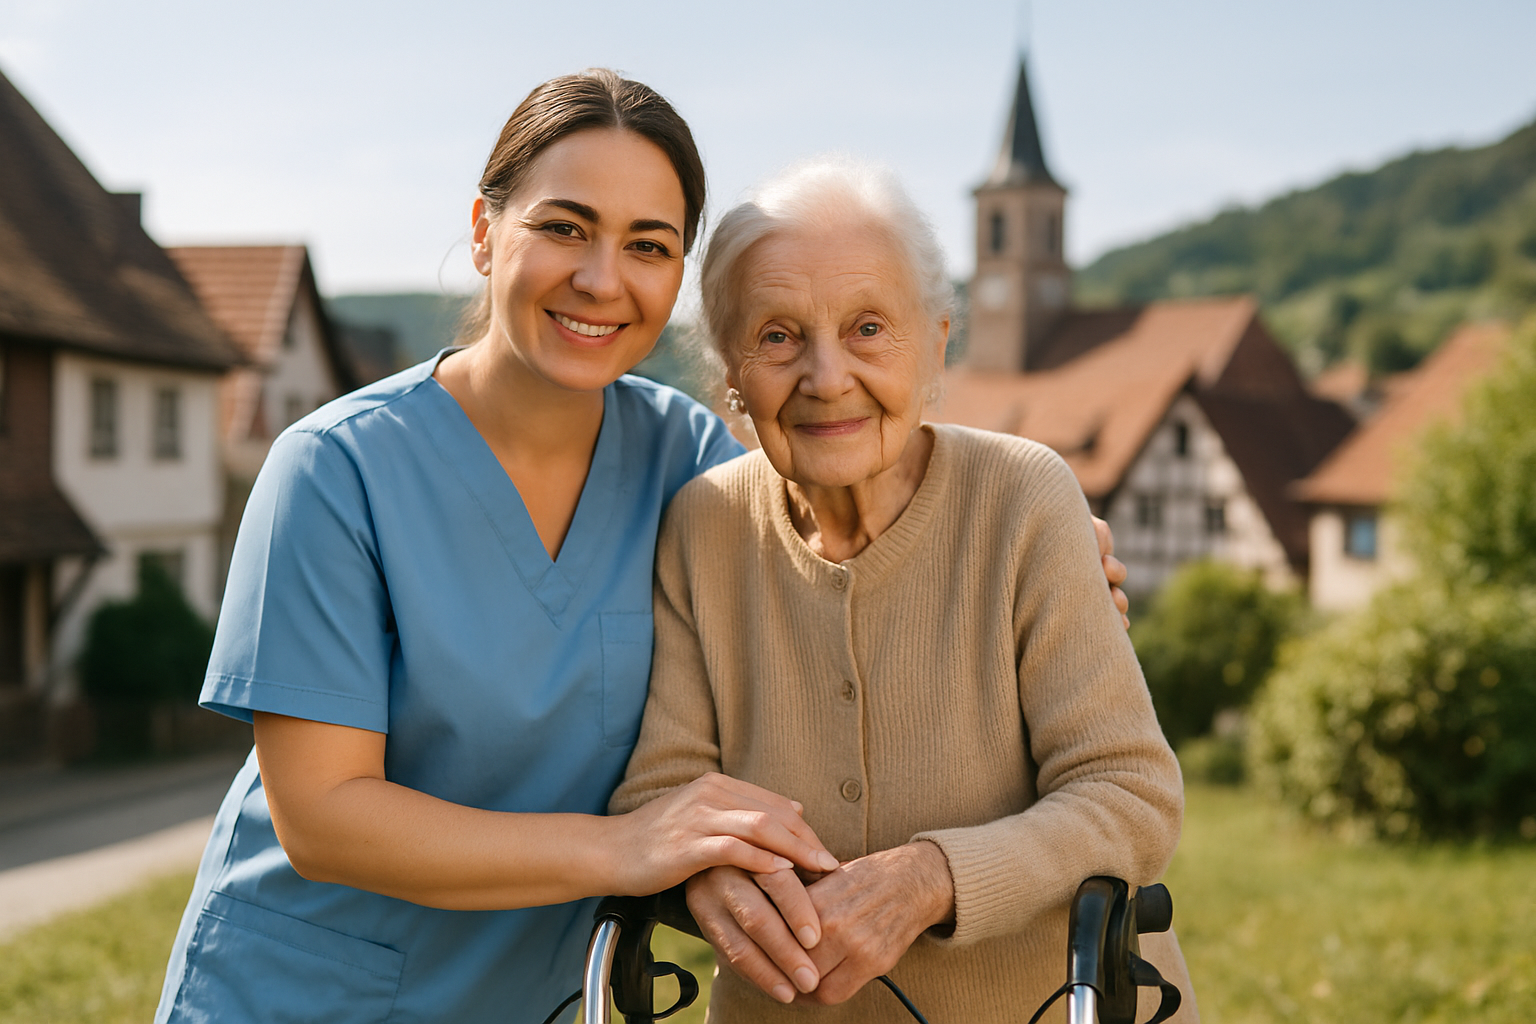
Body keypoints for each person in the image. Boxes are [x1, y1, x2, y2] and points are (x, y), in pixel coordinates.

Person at [154, 72, 1129, 1023]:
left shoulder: (690, 465)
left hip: (543, 994)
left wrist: (1053, 547)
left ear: (678, 282)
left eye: (648, 245)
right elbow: (324, 819)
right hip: (303, 991)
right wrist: (625, 849)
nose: (602, 278)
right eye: (564, 227)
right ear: (488, 232)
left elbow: (856, 515)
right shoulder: (334, 470)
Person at [611, 158, 1198, 1022]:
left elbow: (1130, 793)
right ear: (727, 378)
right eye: (776, 336)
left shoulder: (1024, 496)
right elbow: (661, 789)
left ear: (936, 345)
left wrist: (932, 878)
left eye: (868, 328)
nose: (826, 376)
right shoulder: (702, 526)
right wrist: (715, 870)